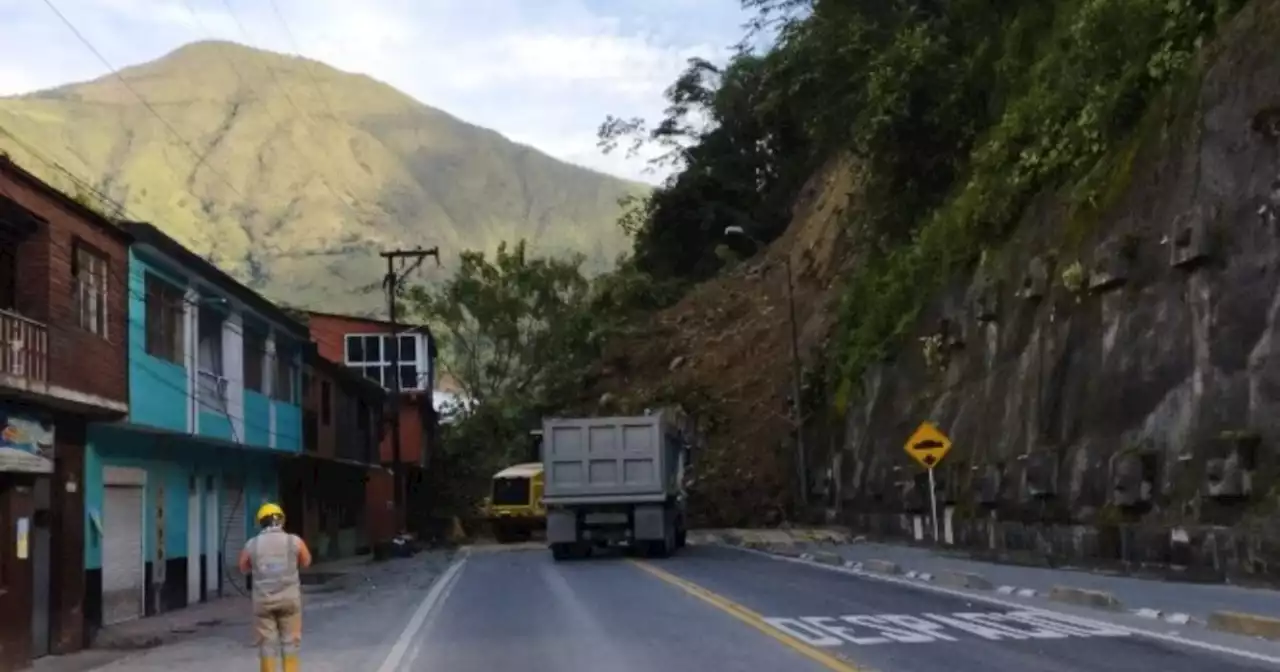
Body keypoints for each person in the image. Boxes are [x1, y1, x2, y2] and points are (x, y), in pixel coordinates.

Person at [239, 502, 312, 672]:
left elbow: (243, 567)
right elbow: (307, 561)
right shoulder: (294, 541)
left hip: (263, 602)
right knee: (290, 643)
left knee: (266, 645)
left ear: (260, 523)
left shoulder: (252, 544)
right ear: (282, 520)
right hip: (289, 601)